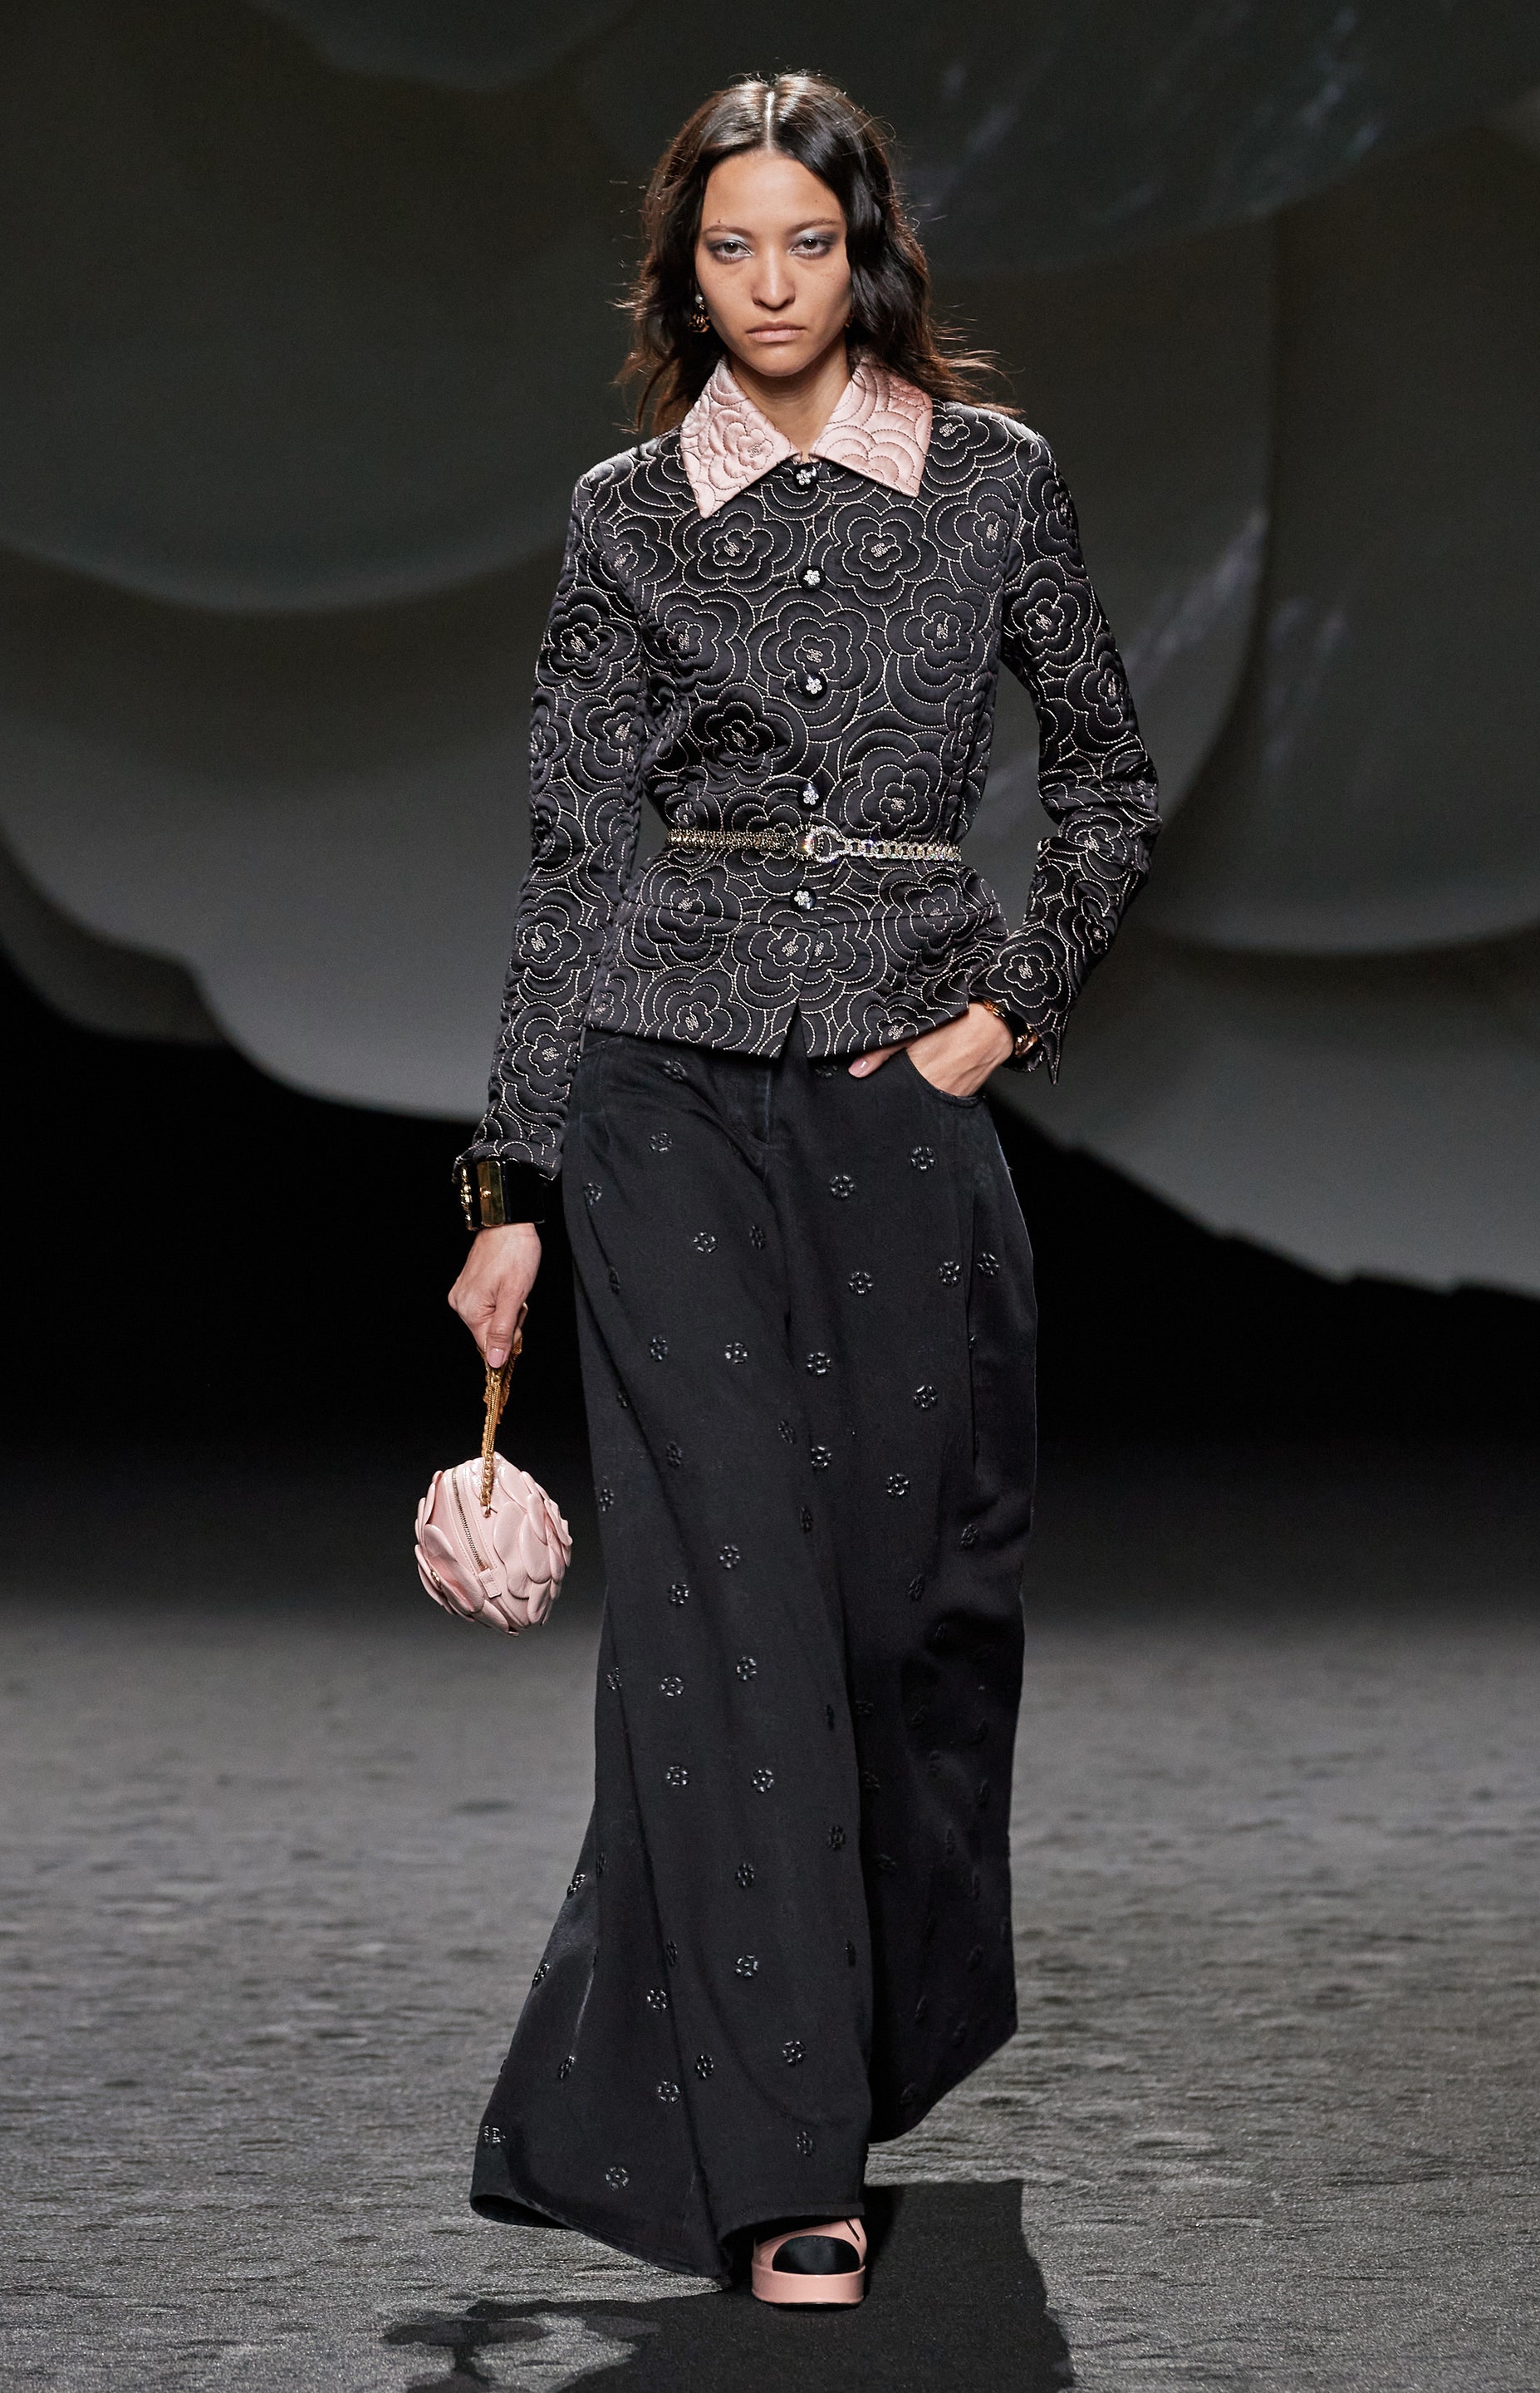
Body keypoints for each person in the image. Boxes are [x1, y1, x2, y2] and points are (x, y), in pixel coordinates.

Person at [448, 71, 1158, 2307]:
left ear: (871, 254)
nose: (771, 286)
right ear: (682, 272)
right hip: (664, 1095)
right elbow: (574, 861)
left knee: (895, 1620)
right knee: (725, 1632)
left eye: (810, 244)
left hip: (896, 1089)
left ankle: (840, 2048)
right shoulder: (630, 513)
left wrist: (1001, 1014)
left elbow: (1109, 779)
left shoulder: (992, 482)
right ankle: (785, 2176)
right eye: (729, 247)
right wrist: (510, 1183)